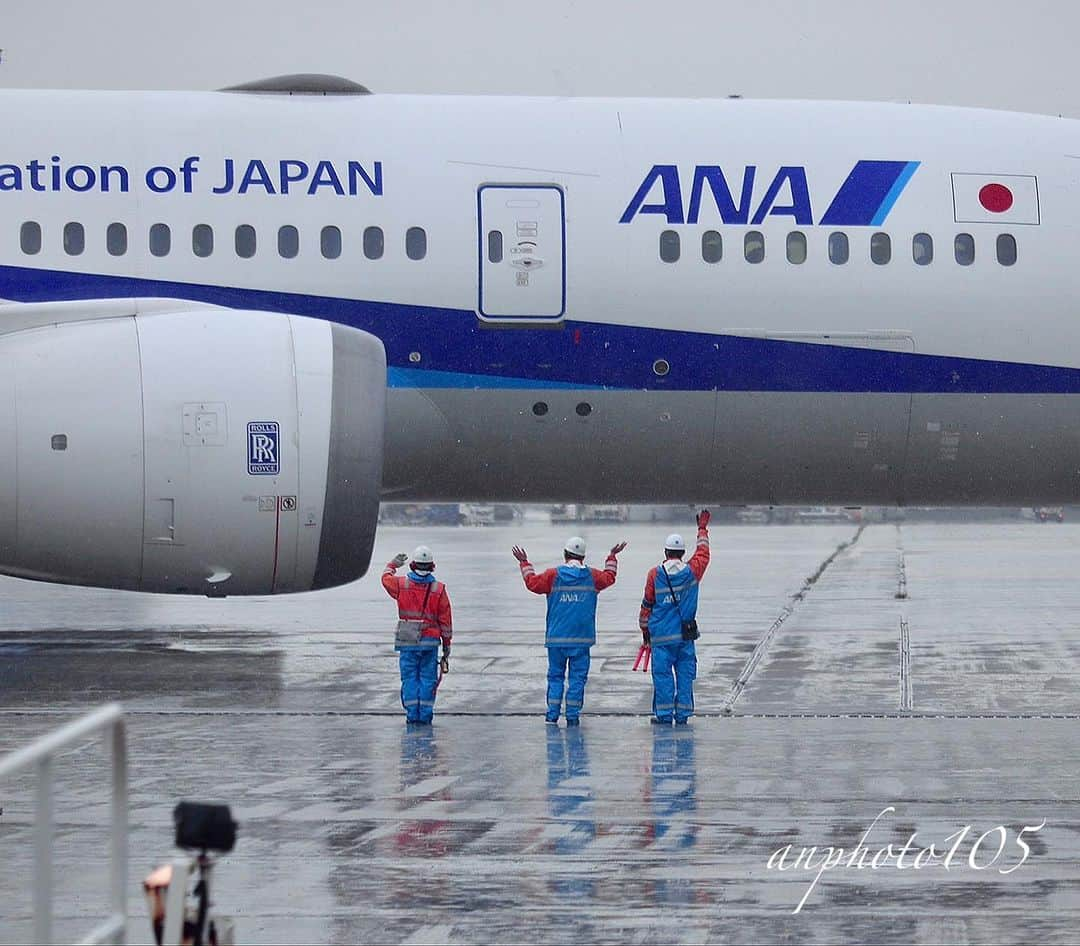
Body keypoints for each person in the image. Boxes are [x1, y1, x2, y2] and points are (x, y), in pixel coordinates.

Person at [513, 536, 626, 726]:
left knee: (555, 677)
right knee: (577, 678)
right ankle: (572, 715)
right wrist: (612, 556)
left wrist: (524, 562)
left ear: (565, 554)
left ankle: (552, 714)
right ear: (583, 557)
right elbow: (609, 577)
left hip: (556, 638)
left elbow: (532, 583)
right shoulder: (592, 576)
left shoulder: (552, 575)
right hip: (582, 640)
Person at [639, 510, 710, 725]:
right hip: (684, 636)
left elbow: (646, 606)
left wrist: (645, 632)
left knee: (662, 677)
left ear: (665, 551)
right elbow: (703, 553)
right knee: (685, 675)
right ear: (682, 552)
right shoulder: (692, 571)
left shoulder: (655, 574)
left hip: (661, 636)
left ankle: (663, 715)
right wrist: (702, 528)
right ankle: (683, 715)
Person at [382, 545, 452, 725]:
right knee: (428, 678)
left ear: (413, 564)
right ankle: (425, 715)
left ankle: (412, 716)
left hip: (408, 640)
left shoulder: (401, 584)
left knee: (410, 678)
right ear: (432, 566)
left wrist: (393, 564)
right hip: (430, 642)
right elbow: (445, 620)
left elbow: (385, 578)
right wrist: (446, 645)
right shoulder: (438, 588)